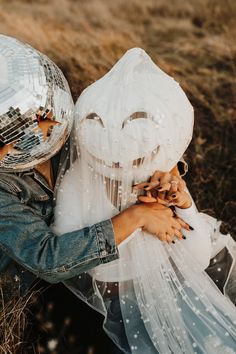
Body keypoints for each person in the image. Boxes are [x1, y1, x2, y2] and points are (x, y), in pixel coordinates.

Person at [53, 48, 236, 353]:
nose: (117, 152)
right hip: (120, 301)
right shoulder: (78, 180)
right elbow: (77, 261)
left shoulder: (161, 174)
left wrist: (185, 206)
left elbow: (197, 257)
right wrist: (139, 218)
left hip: (173, 286)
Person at [0, 35, 190, 300]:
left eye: (38, 108)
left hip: (103, 248)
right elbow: (47, 259)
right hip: (42, 284)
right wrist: (137, 217)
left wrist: (168, 170)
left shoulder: (57, 116)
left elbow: (131, 137)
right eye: (16, 123)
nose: (38, 119)